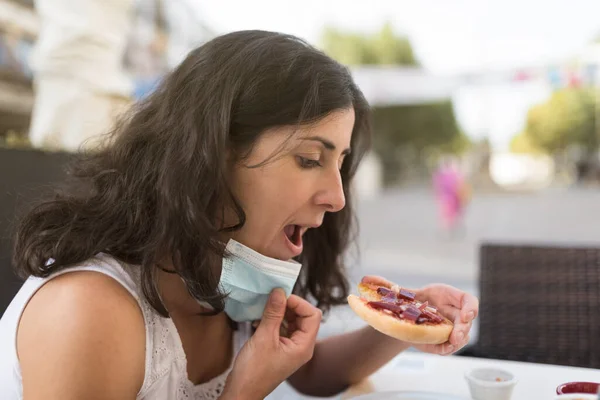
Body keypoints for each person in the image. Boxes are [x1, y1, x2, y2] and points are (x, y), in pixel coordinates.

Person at [0, 31, 478, 399]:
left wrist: (403, 327)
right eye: (311, 158)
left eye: (341, 164)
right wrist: (244, 392)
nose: (337, 198)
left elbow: (307, 368)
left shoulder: (224, 267)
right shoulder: (88, 313)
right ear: (210, 155)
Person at [433, 157, 470, 234]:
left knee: (450, 213)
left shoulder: (443, 174)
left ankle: (450, 227)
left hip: (452, 197)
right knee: (450, 213)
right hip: (450, 197)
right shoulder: (453, 173)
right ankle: (450, 227)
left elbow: (437, 186)